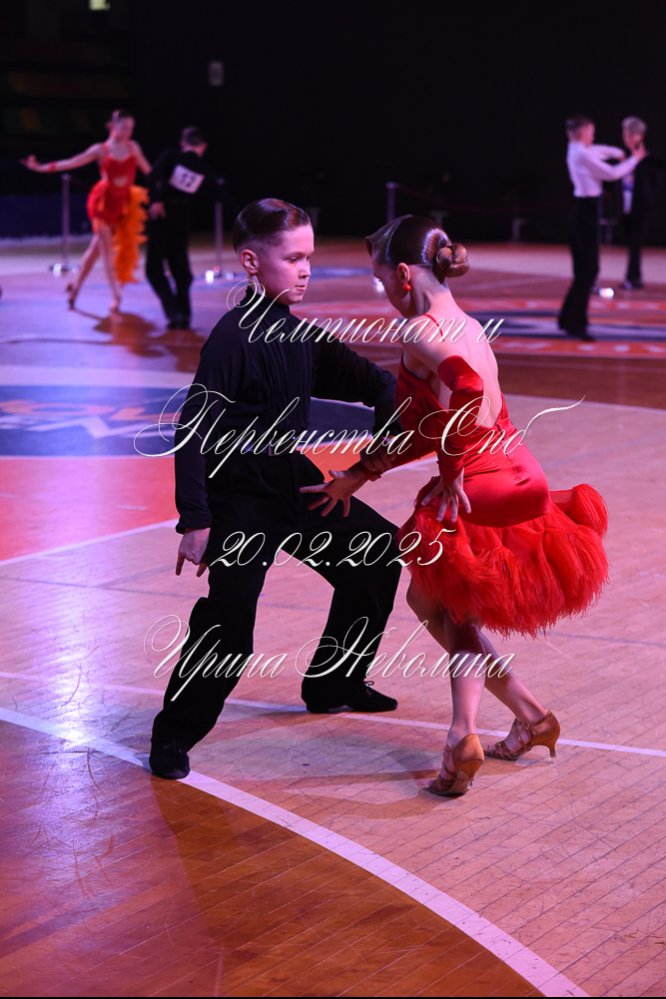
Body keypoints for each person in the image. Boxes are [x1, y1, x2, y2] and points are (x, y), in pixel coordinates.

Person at [302, 215, 610, 798]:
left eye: (380, 281)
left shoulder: (419, 331)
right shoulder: (466, 323)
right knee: (430, 602)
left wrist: (450, 471)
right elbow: (430, 424)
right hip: (523, 473)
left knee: (455, 612)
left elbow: (464, 390)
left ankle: (462, 737)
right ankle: (529, 716)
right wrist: (361, 474)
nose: (383, 293)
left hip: (479, 482)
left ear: (402, 274)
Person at [149, 198, 403, 780]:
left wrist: (368, 463)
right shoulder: (231, 339)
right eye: (293, 259)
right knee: (230, 619)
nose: (306, 270)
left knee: (377, 557)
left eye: (309, 257)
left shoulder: (300, 335)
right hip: (239, 496)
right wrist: (196, 520)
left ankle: (334, 682)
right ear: (251, 262)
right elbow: (192, 430)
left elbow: (378, 384)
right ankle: (174, 733)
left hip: (291, 478)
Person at [22, 109, 150, 313]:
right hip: (103, 204)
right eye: (124, 128)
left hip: (122, 203)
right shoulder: (101, 150)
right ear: (112, 126)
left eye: (131, 128)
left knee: (94, 251)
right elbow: (71, 162)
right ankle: (116, 294)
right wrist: (41, 167)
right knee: (106, 250)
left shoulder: (133, 147)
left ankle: (75, 288)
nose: (128, 132)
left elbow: (149, 171)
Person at [557, 114, 645, 341]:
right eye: (591, 131)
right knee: (588, 271)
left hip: (585, 213)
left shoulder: (578, 149)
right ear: (581, 133)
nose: (593, 135)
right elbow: (612, 174)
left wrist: (617, 152)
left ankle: (567, 318)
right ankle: (576, 324)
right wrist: (635, 159)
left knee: (584, 272)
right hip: (585, 215)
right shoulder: (582, 154)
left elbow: (598, 150)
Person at [146, 126, 220, 329]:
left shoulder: (171, 156)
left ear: (183, 143)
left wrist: (157, 199)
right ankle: (183, 314)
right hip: (182, 220)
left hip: (161, 218)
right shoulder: (203, 168)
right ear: (203, 146)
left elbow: (152, 176)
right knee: (180, 268)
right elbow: (216, 192)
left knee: (154, 269)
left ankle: (173, 312)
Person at [619, 116, 666, 290]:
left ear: (641, 135)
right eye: (626, 134)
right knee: (630, 243)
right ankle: (633, 277)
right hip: (625, 205)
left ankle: (633, 278)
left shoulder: (649, 157)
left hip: (642, 207)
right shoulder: (622, 155)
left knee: (635, 243)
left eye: (632, 134)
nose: (628, 138)